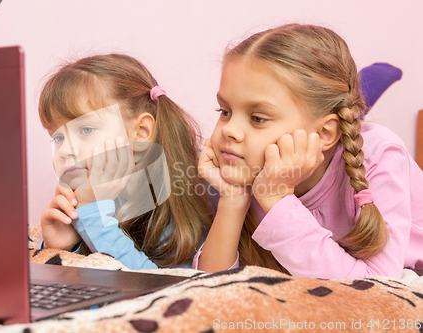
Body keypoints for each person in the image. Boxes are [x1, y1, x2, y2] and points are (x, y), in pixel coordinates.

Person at [193, 23, 423, 279]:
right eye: (225, 112)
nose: (230, 130)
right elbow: (207, 287)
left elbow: (375, 287)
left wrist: (276, 200)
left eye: (257, 118)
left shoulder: (381, 157)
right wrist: (233, 200)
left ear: (325, 134)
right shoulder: (250, 167)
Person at [38, 54, 212, 269]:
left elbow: (157, 287)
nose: (65, 150)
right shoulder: (87, 196)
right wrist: (60, 247)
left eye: (86, 130)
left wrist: (93, 215)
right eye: (58, 137)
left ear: (140, 132)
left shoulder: (183, 193)